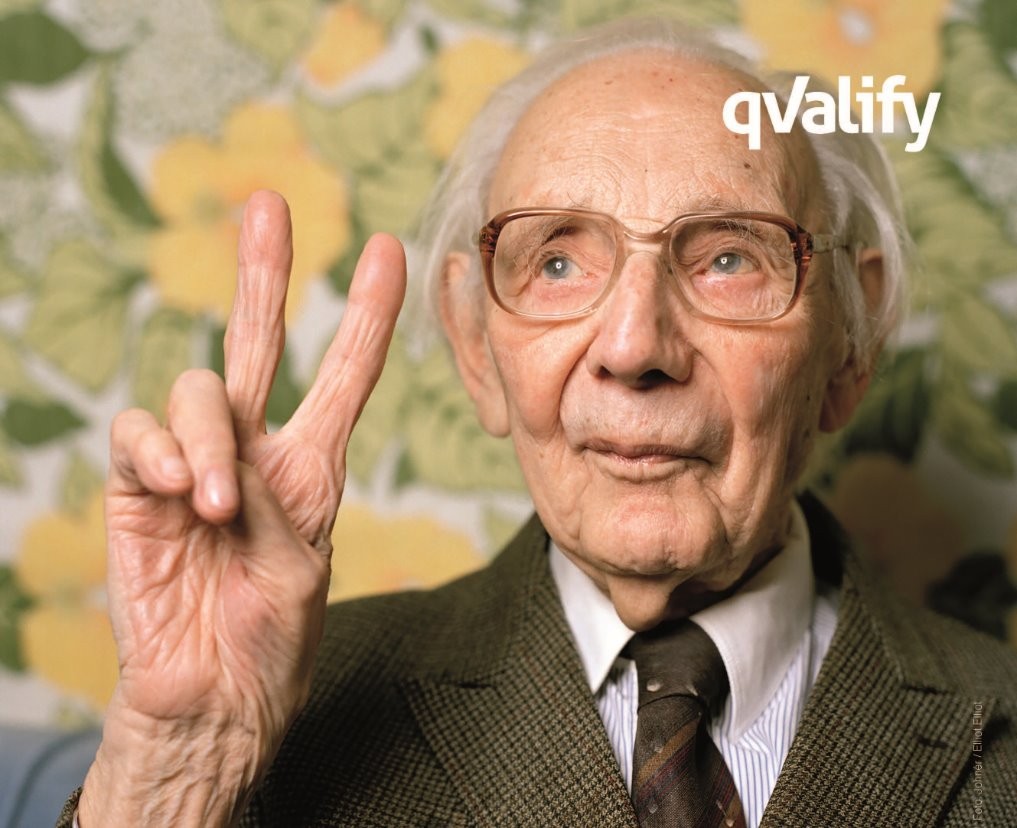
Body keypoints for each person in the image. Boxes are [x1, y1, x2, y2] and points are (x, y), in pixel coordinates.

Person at [59, 19, 1016, 828]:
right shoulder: (295, 714)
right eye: (557, 262)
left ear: (848, 343)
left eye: (728, 257)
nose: (633, 347)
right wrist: (178, 773)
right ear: (477, 348)